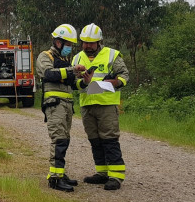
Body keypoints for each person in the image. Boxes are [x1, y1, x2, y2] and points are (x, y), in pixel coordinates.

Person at [72, 23, 129, 191]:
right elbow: (74, 83)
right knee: (95, 140)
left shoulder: (111, 55)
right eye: (85, 43)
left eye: (91, 43)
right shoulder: (76, 58)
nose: (88, 46)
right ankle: (102, 173)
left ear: (99, 42)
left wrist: (116, 81)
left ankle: (116, 176)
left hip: (106, 104)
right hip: (87, 105)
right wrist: (82, 81)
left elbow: (124, 75)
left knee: (109, 139)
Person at [35, 24, 86, 192]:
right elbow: (49, 74)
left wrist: (85, 80)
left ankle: (60, 173)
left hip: (67, 106)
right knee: (59, 140)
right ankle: (55, 179)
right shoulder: (45, 56)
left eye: (71, 45)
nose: (70, 48)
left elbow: (74, 84)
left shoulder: (65, 61)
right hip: (54, 105)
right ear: (58, 42)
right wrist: (72, 70)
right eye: (68, 44)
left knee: (65, 139)